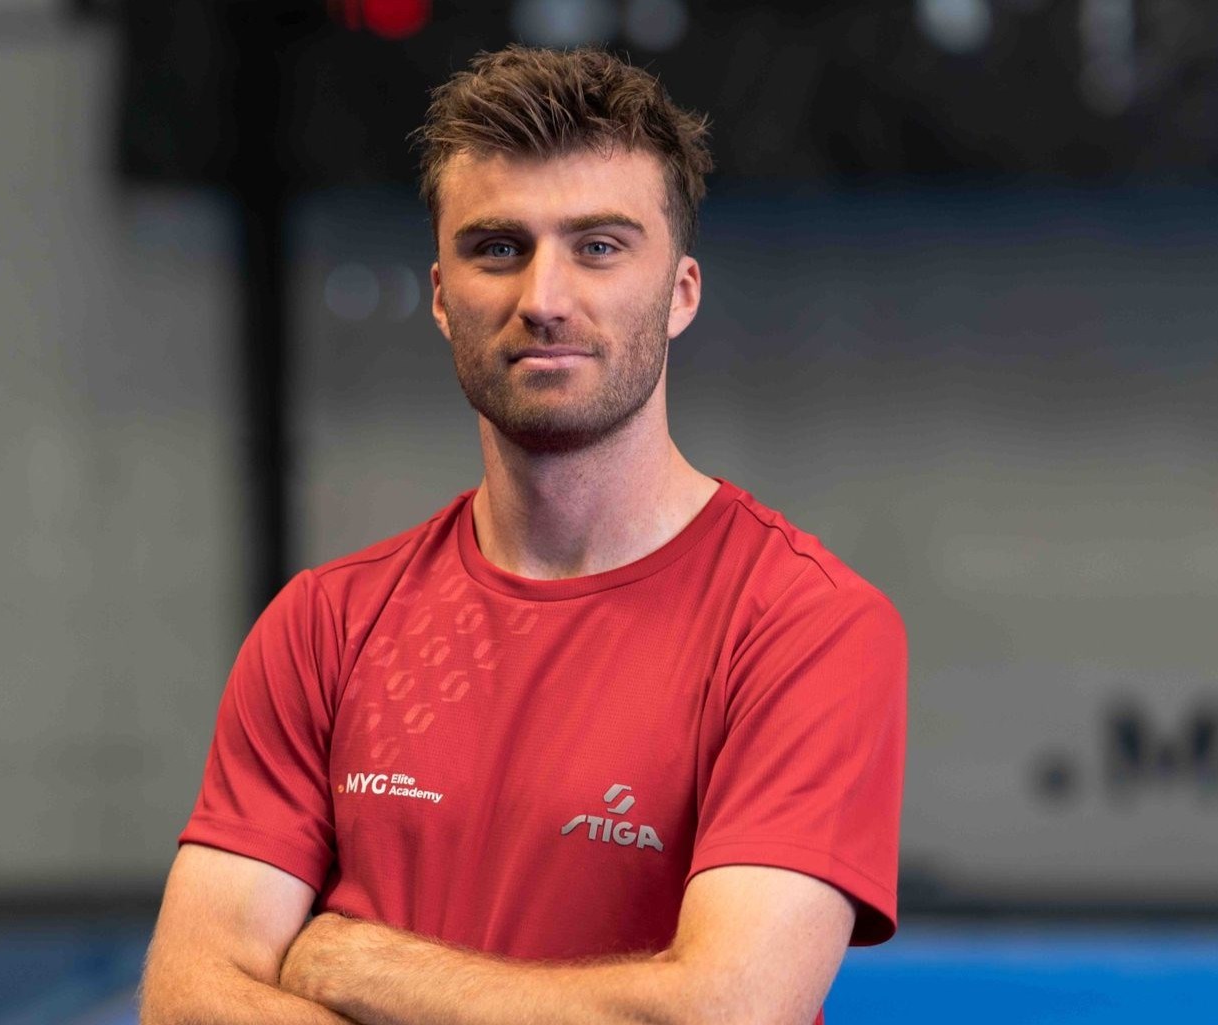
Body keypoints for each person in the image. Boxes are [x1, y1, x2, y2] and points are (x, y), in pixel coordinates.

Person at [140, 45, 907, 1025]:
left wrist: (361, 961)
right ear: (438, 293)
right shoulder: (321, 626)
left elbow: (723, 1011)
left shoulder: (803, 627)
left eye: (598, 245)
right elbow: (186, 998)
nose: (543, 297)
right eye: (497, 246)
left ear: (680, 292)